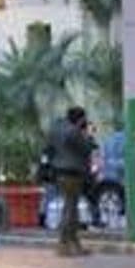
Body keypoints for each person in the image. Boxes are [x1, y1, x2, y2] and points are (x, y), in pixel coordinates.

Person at [47, 106, 96, 256]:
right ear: (80, 119)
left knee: (69, 208)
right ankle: (64, 244)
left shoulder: (56, 130)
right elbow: (86, 148)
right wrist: (89, 135)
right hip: (72, 173)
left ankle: (73, 244)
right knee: (70, 209)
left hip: (59, 172)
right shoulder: (74, 132)